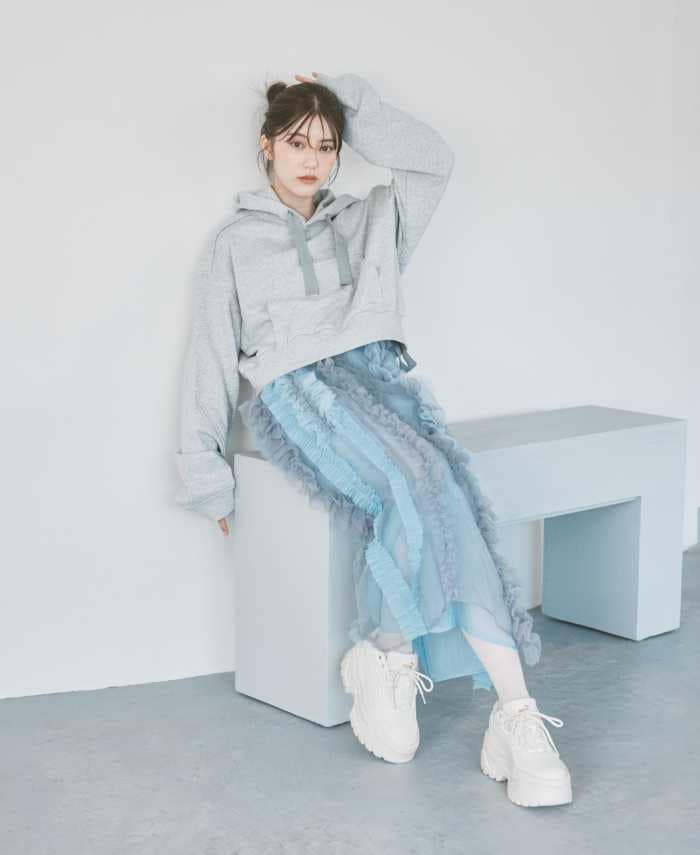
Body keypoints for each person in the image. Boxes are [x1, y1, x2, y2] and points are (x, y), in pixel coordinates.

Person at [173, 71, 573, 807]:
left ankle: (508, 707)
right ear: (266, 146)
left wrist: (347, 97)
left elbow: (433, 162)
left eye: (327, 145)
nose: (313, 159)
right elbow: (209, 356)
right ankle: (396, 656)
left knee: (445, 484)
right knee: (413, 482)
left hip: (375, 384)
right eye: (298, 142)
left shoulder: (369, 222)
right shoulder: (234, 244)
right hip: (298, 394)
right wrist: (207, 475)